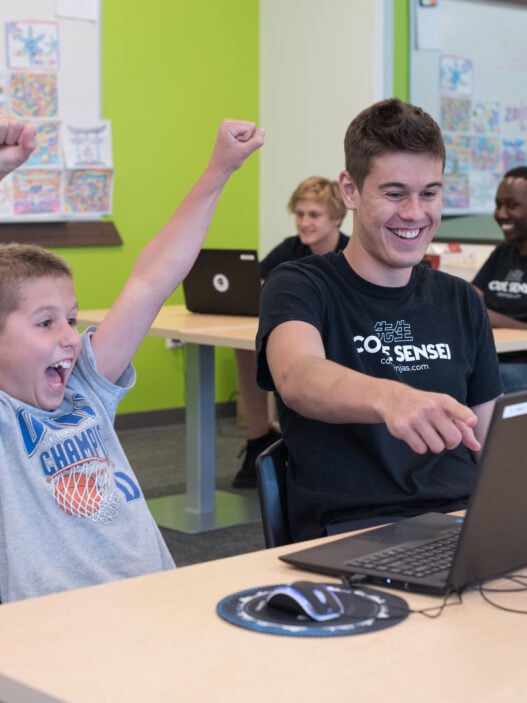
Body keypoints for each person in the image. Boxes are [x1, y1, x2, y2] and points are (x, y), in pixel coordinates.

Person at [0, 116, 264, 602]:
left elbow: (152, 278)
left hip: (153, 599)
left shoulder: (84, 386)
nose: (70, 337)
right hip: (60, 626)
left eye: (71, 319)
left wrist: (219, 169)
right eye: (45, 323)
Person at [256, 98, 502, 543]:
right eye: (394, 194)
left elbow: (490, 444)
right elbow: (297, 376)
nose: (414, 213)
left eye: (429, 193)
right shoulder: (299, 284)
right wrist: (392, 398)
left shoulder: (460, 299)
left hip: (462, 524)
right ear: (350, 190)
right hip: (354, 530)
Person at [232, 176, 349, 488]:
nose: (305, 222)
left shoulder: (350, 252)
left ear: (336, 218)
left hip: (336, 339)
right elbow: (255, 285)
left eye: (314, 215)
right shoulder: (291, 249)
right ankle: (258, 436)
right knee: (247, 347)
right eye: (300, 214)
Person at [472, 166, 527, 392]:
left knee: (481, 382)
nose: (501, 214)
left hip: (519, 363)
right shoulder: (503, 252)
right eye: (498, 205)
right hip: (490, 354)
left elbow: (476, 309)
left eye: (512, 205)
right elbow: (472, 297)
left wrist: (490, 317)